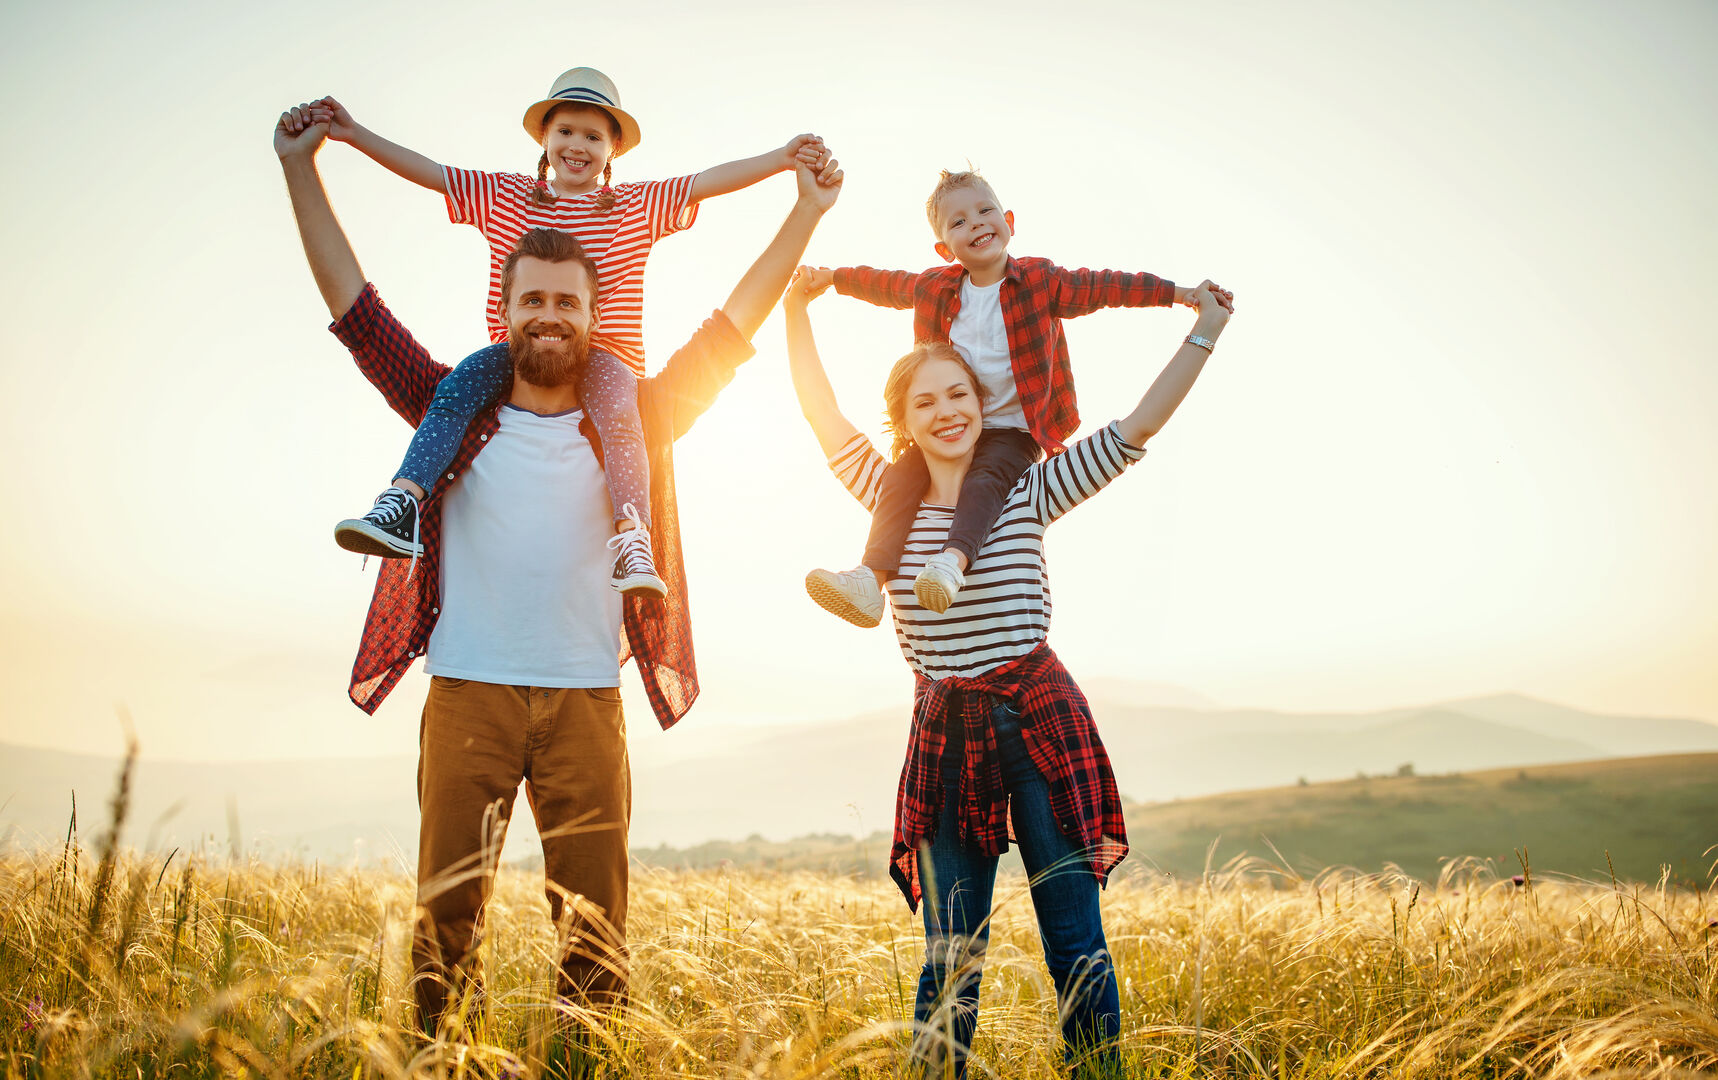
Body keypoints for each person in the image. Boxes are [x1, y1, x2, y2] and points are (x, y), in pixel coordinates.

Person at [273, 102, 842, 1039]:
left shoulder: (636, 421)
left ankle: (590, 1062)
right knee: (444, 926)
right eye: (531, 300)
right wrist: (304, 168)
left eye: (566, 302)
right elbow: (355, 311)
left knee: (594, 933)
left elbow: (733, 328)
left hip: (584, 701)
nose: (549, 315)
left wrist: (806, 213)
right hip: (468, 696)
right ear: (504, 312)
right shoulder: (451, 412)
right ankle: (442, 1062)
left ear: (592, 315)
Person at [783, 262, 1233, 1076]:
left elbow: (1135, 429)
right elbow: (820, 415)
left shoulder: (1027, 488)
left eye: (959, 394)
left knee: (1075, 942)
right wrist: (796, 314)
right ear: (906, 422)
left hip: (1038, 725)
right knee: (950, 957)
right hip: (946, 736)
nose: (947, 411)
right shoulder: (889, 499)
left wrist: (1202, 332)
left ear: (981, 402)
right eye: (926, 401)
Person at [309, 68, 825, 598]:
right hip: (515, 354)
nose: (577, 146)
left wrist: (780, 159)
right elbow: (431, 173)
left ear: (613, 150)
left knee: (624, 426)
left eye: (593, 136)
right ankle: (402, 502)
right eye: (566, 132)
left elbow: (707, 182)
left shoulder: (634, 206)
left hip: (605, 357)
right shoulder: (505, 195)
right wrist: (354, 135)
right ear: (544, 139)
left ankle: (632, 537)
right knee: (451, 396)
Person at [796, 168, 1231, 625]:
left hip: (1013, 430)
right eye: (958, 222)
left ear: (1009, 221)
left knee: (985, 484)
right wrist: (830, 278)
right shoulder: (935, 289)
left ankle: (951, 563)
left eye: (985, 211)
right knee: (901, 479)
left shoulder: (1041, 282)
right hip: (954, 427)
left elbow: (1108, 286)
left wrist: (1182, 295)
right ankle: (870, 578)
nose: (976, 223)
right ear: (945, 248)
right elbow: (886, 284)